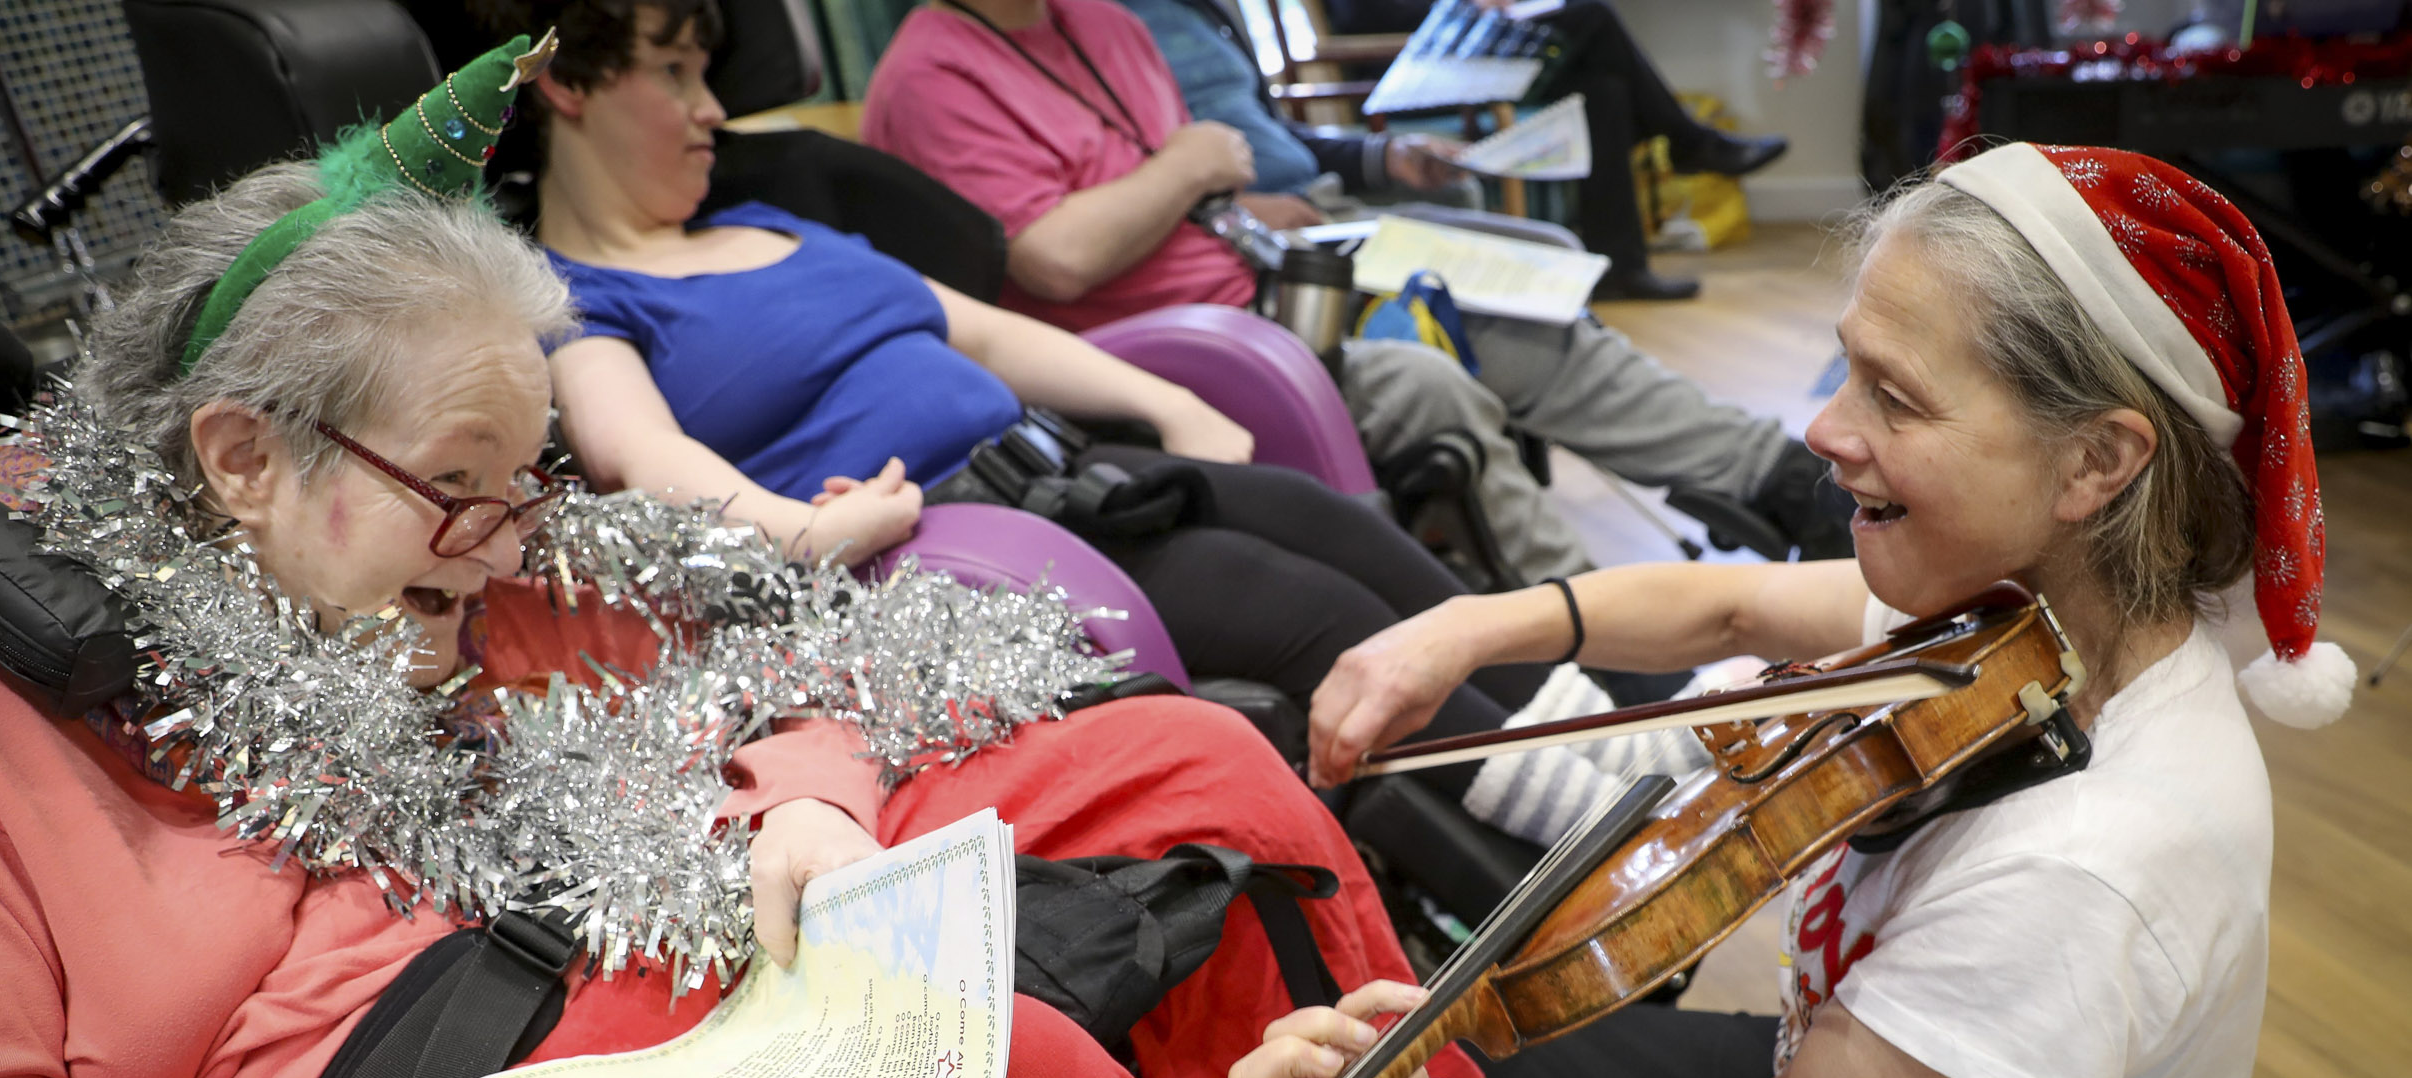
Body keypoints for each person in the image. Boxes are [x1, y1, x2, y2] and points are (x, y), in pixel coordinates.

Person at [0, 39, 1739, 1078]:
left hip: (616, 871)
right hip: (387, 1067)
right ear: (242, 457)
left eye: (525, 486)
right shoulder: (4, 714)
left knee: (1191, 762)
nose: (505, 542)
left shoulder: (479, 557)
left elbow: (769, 654)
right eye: (458, 487)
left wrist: (808, 794)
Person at [1227, 143, 2355, 1078]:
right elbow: (1733, 603)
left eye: (1894, 394)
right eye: (1845, 364)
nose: (1825, 427)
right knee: (1515, 1060)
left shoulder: (2095, 865)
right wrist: (1474, 625)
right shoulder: (2012, 613)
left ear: (2097, 461)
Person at [491, 0, 1704, 830]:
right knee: (1310, 614)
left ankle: (1606, 741)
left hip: (1059, 471)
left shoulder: (779, 218)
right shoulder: (573, 297)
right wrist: (800, 531)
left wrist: (1169, 401)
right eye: (675, 72)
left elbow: (981, 328)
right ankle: (1586, 825)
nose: (712, 109)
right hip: (940, 550)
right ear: (562, 82)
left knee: (1340, 531)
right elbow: (635, 455)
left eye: (709, 72)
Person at [859, 0, 1849, 577]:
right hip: (1168, 351)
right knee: (1452, 372)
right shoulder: (930, 75)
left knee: (1523, 280)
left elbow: (1228, 173)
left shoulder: (1107, 23)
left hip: (1263, 291)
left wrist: (1225, 180)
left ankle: (1766, 484)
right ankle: (1609, 611)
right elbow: (1058, 260)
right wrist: (1195, 168)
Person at [1117, 0, 1786, 299]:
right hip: (1397, 71)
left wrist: (1382, 156)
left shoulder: (1202, 12)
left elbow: (1273, 131)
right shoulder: (1105, 33)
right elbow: (1133, 171)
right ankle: (1688, 144)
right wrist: (1231, 210)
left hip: (1324, 177)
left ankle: (1621, 264)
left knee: (1601, 88)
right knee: (1590, 17)